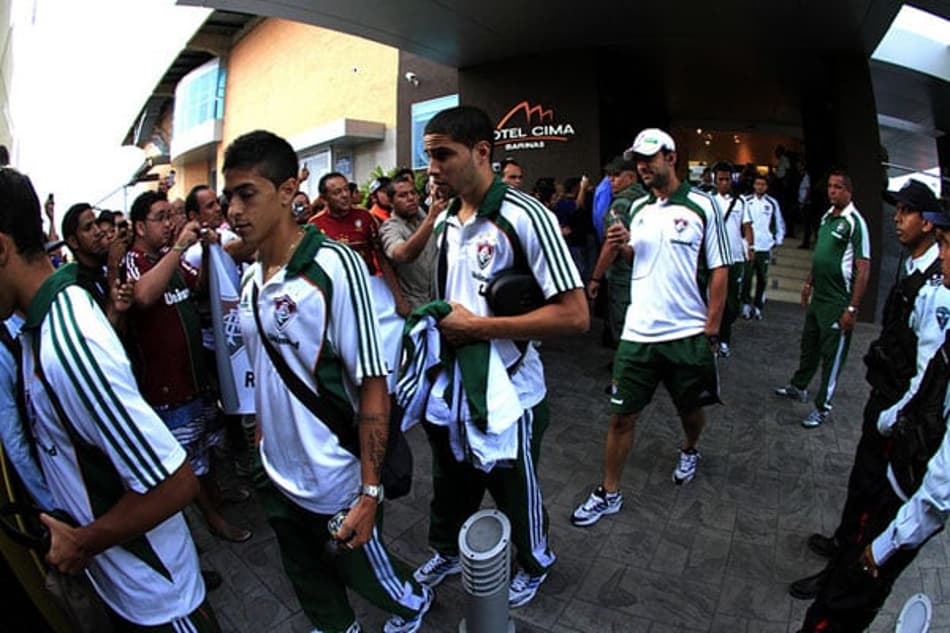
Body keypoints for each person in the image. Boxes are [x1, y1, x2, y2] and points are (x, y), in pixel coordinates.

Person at [224, 130, 432, 633]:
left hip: (335, 479)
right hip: (276, 472)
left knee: (366, 569)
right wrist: (260, 444)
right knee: (306, 577)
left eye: (246, 194)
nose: (233, 210)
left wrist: (368, 491)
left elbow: (374, 386)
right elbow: (264, 373)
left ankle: (414, 604)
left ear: (288, 190)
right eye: (229, 195)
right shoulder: (252, 278)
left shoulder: (332, 267)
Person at [0, 167, 219, 631]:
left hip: (158, 599)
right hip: (124, 587)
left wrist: (82, 542)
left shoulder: (69, 344)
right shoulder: (37, 334)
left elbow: (175, 484)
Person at [410, 106, 588, 608]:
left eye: (443, 155)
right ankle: (445, 551)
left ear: (482, 151)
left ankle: (535, 562)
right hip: (456, 387)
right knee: (452, 481)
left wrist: (481, 328)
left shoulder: (527, 217)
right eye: (429, 156)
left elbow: (576, 317)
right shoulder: (445, 218)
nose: (433, 169)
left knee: (515, 489)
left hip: (514, 389)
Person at [789, 179, 950, 604]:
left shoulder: (936, 288)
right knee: (860, 487)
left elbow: (928, 370)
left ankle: (838, 578)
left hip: (897, 413)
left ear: (930, 224)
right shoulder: (913, 267)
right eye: (897, 211)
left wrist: (893, 417)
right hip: (884, 398)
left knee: (870, 499)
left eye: (908, 212)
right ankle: (841, 544)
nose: (897, 220)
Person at [572, 128, 728, 527]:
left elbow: (720, 270)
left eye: (649, 158)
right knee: (621, 417)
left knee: (690, 409)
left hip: (686, 334)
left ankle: (690, 448)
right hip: (638, 335)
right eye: (637, 160)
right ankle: (609, 492)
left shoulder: (702, 205)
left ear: (671, 158)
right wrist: (622, 246)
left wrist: (712, 329)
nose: (641, 166)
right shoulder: (638, 207)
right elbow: (631, 256)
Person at [124, 190, 253, 544]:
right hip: (168, 388)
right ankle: (213, 519)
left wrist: (211, 250)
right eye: (160, 218)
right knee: (187, 460)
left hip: (194, 378)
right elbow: (145, 295)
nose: (169, 224)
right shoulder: (135, 262)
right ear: (139, 226)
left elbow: (198, 285)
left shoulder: (169, 257)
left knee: (207, 448)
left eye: (171, 216)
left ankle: (217, 499)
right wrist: (181, 246)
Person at [775, 170, 870, 428]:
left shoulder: (855, 222)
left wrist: (852, 307)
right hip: (819, 297)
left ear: (849, 191)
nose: (832, 191)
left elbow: (863, 267)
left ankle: (822, 407)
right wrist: (808, 283)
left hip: (838, 301)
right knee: (809, 346)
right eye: (829, 186)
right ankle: (799, 386)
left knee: (832, 357)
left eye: (838, 187)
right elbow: (819, 256)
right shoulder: (827, 217)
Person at [311, 172, 410, 316]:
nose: (345, 195)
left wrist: (399, 299)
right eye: (337, 192)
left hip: (368, 290)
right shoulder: (314, 226)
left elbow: (382, 259)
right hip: (334, 296)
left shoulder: (365, 217)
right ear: (324, 199)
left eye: (346, 189)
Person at [587, 159, 645, 349]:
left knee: (622, 323)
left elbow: (613, 243)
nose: (612, 181)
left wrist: (595, 277)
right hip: (645, 270)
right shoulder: (647, 198)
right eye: (610, 177)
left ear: (631, 176)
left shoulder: (621, 203)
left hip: (622, 273)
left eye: (617, 176)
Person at [378, 175, 441, 312]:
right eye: (403, 195)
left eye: (413, 193)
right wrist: (431, 219)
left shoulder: (427, 217)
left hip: (440, 301)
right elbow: (403, 254)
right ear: (390, 202)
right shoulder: (390, 228)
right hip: (414, 307)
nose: (411, 198)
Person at [711, 162, 753, 357]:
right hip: (713, 256)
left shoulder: (741, 202)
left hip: (735, 257)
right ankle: (714, 338)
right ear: (714, 180)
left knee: (732, 303)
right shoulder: (708, 200)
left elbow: (747, 227)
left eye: (727, 179)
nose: (724, 183)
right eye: (721, 179)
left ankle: (724, 336)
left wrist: (750, 248)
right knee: (712, 299)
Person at [741, 174, 784, 320]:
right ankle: (746, 304)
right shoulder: (745, 201)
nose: (760, 187)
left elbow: (778, 221)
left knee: (762, 278)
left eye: (763, 184)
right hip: (749, 246)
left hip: (764, 246)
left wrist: (778, 238)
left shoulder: (772, 203)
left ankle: (758, 306)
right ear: (753, 185)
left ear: (766, 187)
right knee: (747, 277)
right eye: (757, 184)